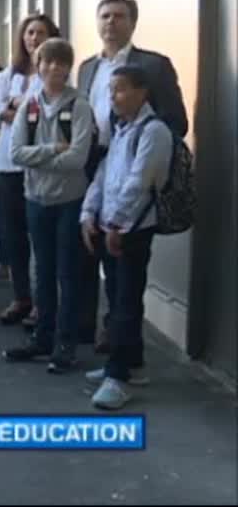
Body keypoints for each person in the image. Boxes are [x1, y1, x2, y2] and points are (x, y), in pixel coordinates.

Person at [75, 0, 188, 353]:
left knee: (127, 265)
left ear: (132, 22)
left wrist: (141, 147)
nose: (111, 22)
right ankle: (93, 331)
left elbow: (176, 123)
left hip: (134, 171)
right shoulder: (88, 68)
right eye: (105, 15)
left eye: (119, 16)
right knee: (92, 252)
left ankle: (123, 345)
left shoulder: (154, 66)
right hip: (95, 167)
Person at [81, 65, 171, 409]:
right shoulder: (121, 131)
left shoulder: (153, 131)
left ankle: (117, 377)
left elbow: (139, 183)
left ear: (141, 92)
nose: (113, 96)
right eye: (111, 90)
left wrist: (117, 225)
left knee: (125, 303)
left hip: (132, 231)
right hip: (109, 226)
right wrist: (89, 214)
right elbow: (104, 178)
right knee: (119, 295)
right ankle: (132, 364)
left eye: (120, 89)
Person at [3, 38, 94, 373]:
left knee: (68, 274)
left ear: (69, 67)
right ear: (38, 65)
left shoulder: (80, 105)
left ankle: (65, 344)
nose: (54, 68)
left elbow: (79, 157)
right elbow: (15, 154)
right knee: (43, 271)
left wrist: (40, 157)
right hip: (36, 200)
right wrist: (54, 149)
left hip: (70, 201)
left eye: (61, 62)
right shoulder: (28, 106)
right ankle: (42, 339)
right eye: (48, 61)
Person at [0, 12, 59, 326]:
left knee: (41, 237)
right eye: (30, 32)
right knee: (14, 234)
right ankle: (21, 297)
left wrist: (18, 107)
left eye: (41, 32)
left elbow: (46, 113)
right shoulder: (7, 76)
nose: (34, 38)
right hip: (9, 165)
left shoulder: (56, 76)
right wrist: (23, 108)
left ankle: (43, 304)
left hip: (42, 167)